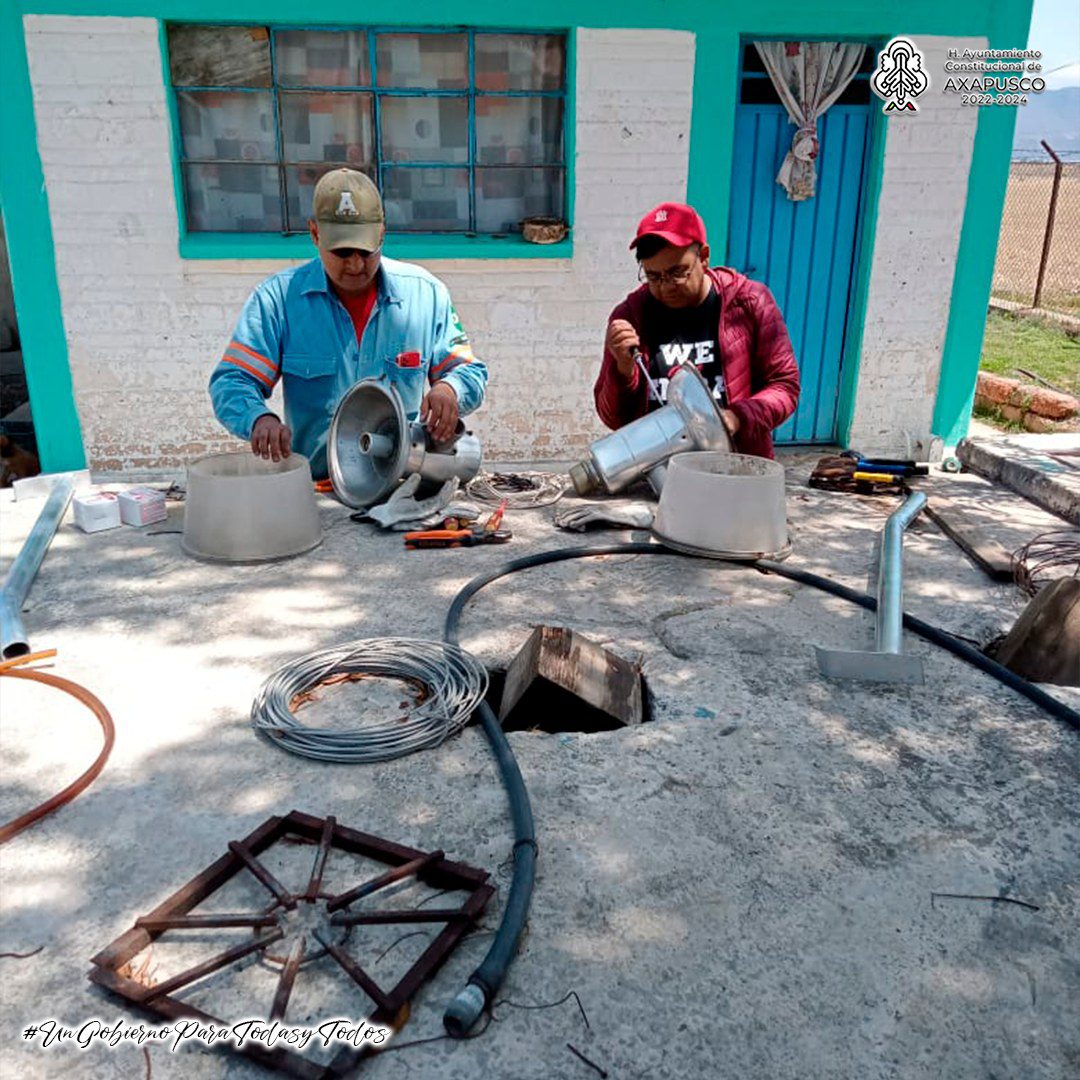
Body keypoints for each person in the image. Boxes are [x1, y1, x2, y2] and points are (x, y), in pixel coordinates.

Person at [209, 169, 487, 480]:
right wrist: (258, 418)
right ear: (315, 234)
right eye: (341, 252)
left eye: (366, 251)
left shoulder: (426, 295)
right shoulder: (277, 301)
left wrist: (450, 390)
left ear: (381, 233)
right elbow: (232, 381)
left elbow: (469, 372)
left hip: (400, 486)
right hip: (317, 490)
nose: (355, 265)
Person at [595, 202, 799, 459]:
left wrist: (737, 418)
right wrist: (622, 369)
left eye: (676, 272)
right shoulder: (630, 318)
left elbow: (785, 386)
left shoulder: (749, 303)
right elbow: (613, 418)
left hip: (738, 467)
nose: (665, 286)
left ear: (704, 257)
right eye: (653, 276)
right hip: (660, 473)